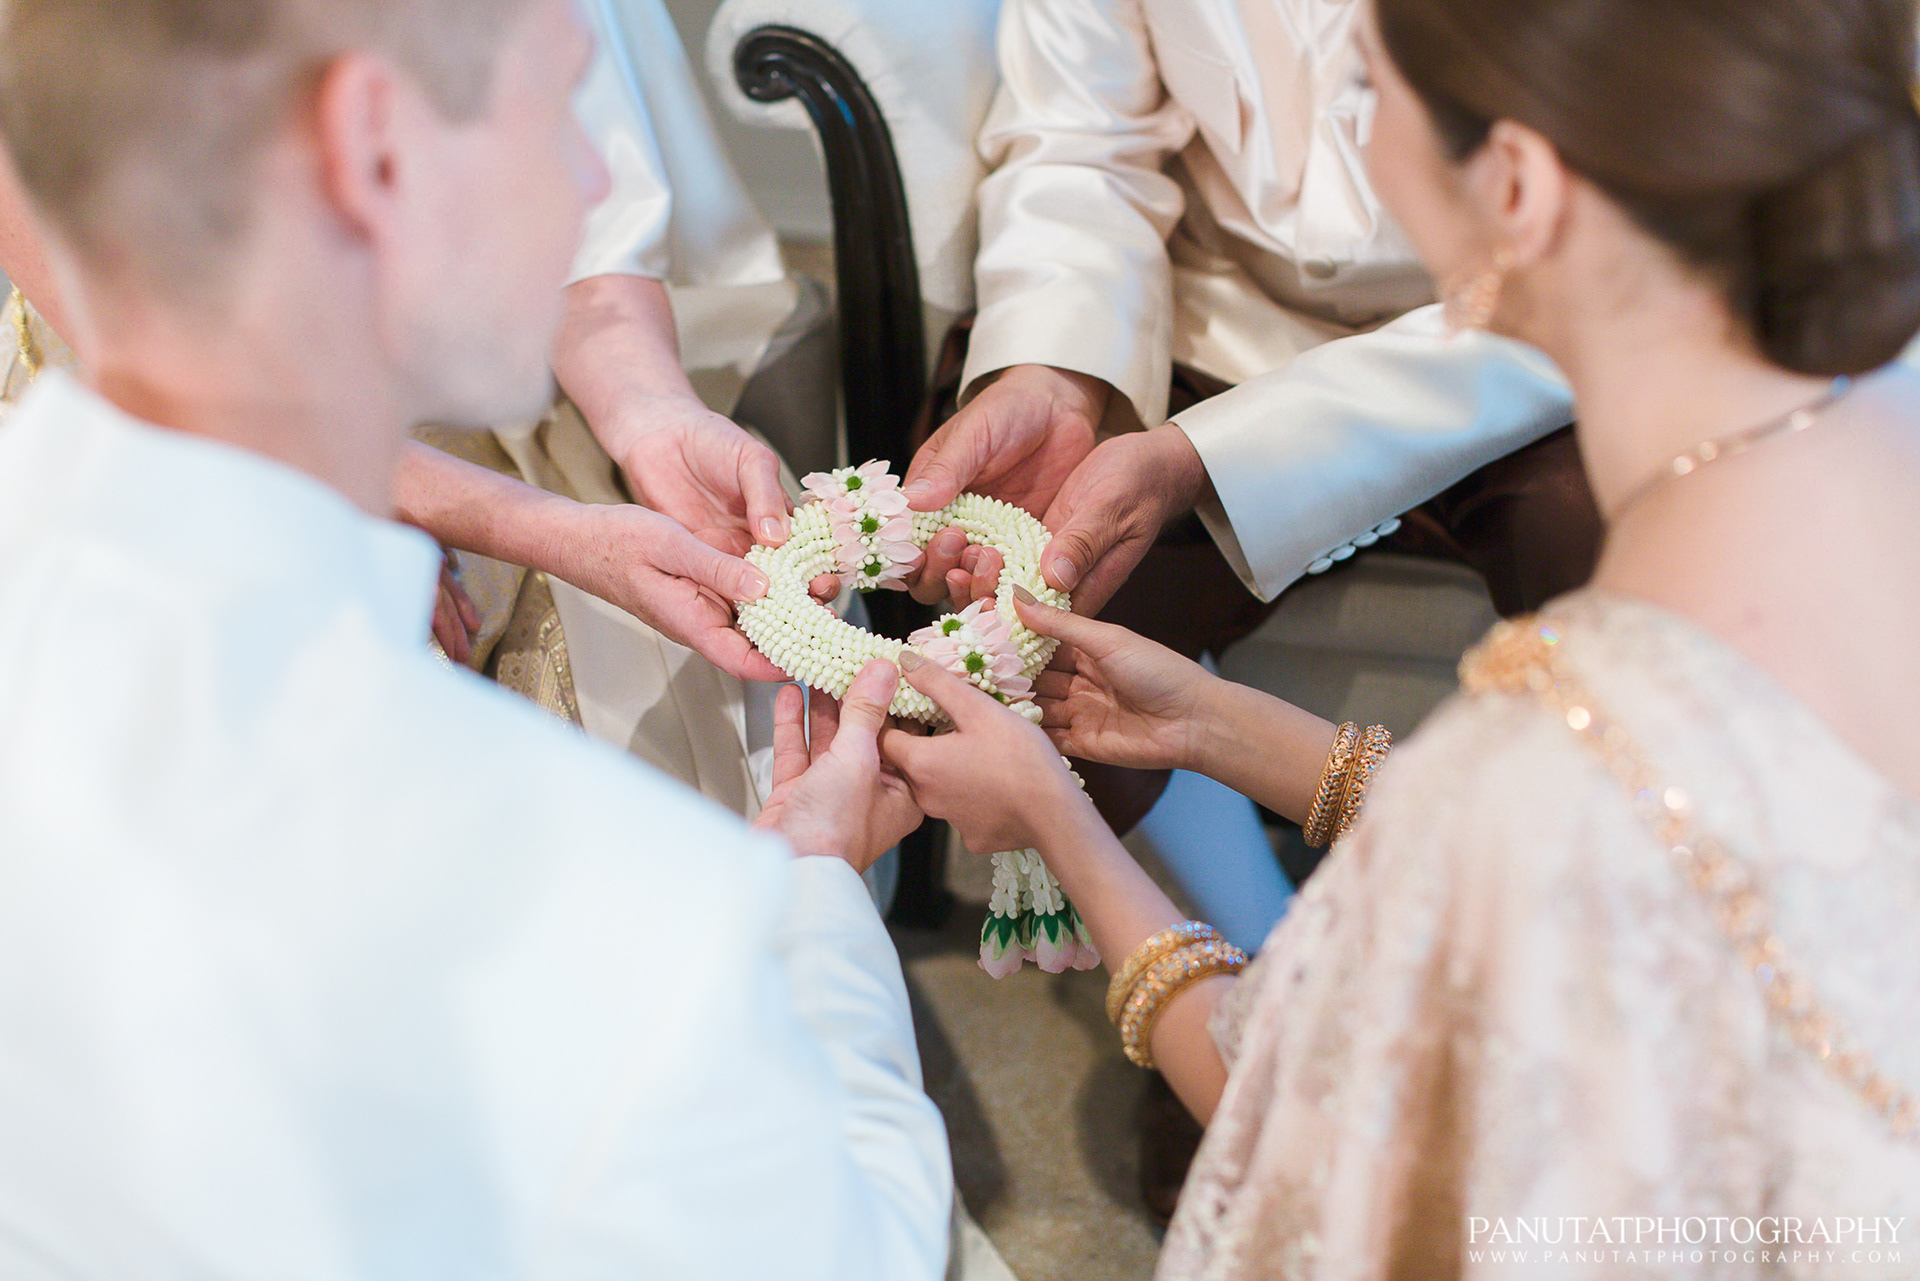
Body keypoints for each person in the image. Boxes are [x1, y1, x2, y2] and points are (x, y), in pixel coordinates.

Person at [881, 0, 1920, 1271]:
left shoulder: (1536, 773)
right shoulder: (1841, 488)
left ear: (1517, 186)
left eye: (1370, 93)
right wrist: (1209, 722)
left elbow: (1309, 1157)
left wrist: (1060, 823)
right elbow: (1594, 830)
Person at [0, 0, 952, 1276]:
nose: (599, 179)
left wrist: (643, 416)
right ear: (373, 149)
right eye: (559, 111)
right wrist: (816, 901)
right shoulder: (633, 923)